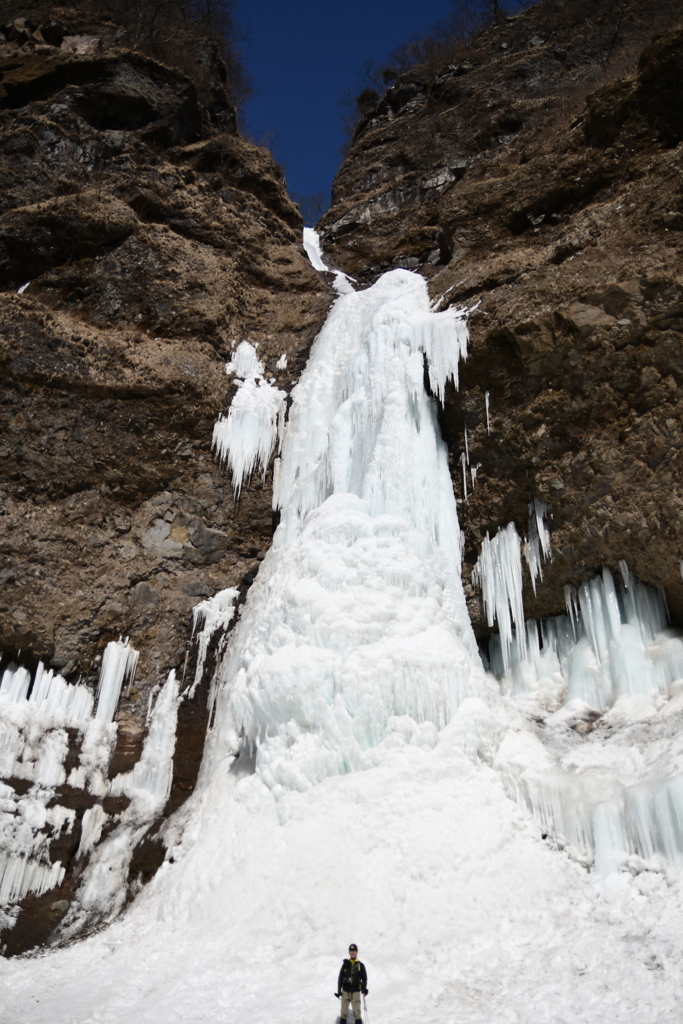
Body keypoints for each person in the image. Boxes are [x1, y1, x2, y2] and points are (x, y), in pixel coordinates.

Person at [335, 944, 368, 1024]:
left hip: (356, 992)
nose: (352, 953)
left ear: (356, 952)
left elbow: (364, 978)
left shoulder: (360, 965)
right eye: (351, 951)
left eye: (354, 951)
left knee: (357, 1013)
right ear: (349, 952)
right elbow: (340, 978)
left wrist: (364, 989)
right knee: (343, 1013)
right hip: (345, 992)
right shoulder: (345, 965)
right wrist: (339, 991)